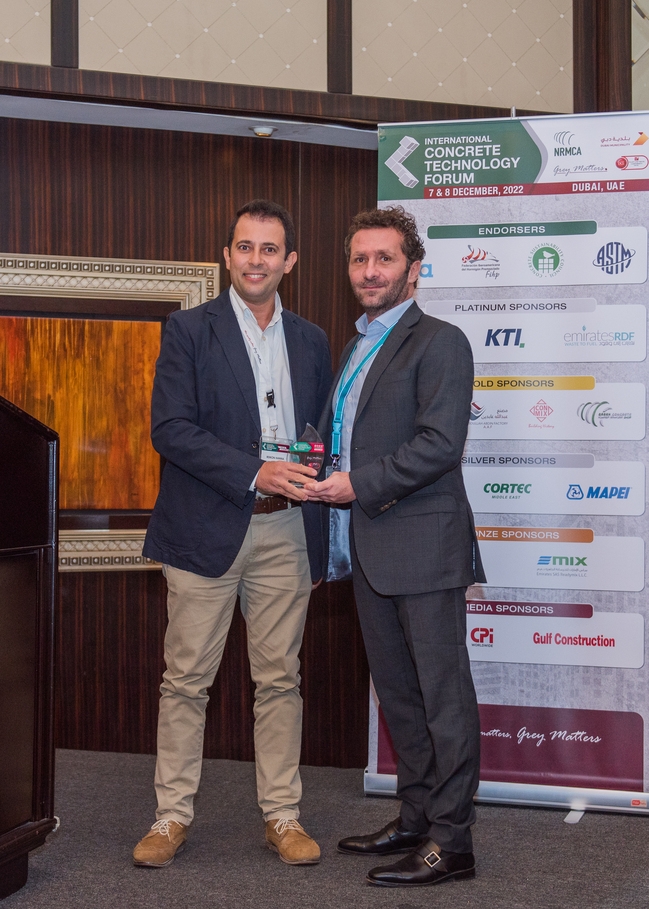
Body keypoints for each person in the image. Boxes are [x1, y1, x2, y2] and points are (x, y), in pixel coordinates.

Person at [133, 199, 332, 868]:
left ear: (289, 261)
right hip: (205, 529)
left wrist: (311, 490)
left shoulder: (311, 340)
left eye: (269, 249)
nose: (255, 259)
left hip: (287, 531)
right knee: (186, 679)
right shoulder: (189, 330)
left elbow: (317, 434)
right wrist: (255, 472)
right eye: (244, 247)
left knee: (280, 679)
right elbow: (170, 429)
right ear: (226, 256)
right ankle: (170, 816)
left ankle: (282, 815)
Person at [305, 206, 485, 888]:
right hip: (367, 547)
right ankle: (415, 817)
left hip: (423, 547)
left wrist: (357, 483)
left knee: (443, 699)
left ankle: (452, 841)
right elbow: (347, 439)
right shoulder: (357, 347)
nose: (369, 271)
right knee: (400, 696)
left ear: (414, 269)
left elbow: (440, 445)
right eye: (359, 259)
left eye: (384, 258)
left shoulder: (440, 341)